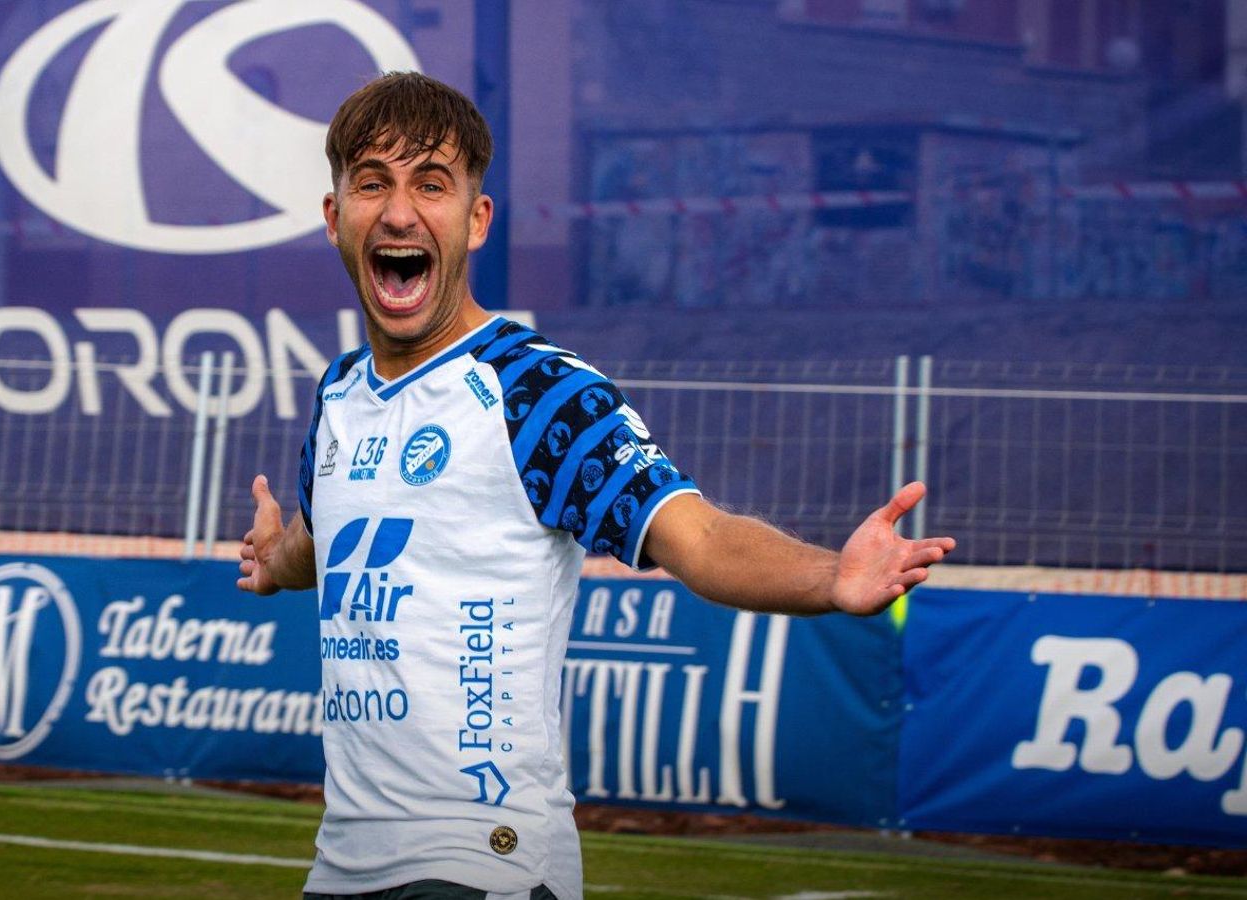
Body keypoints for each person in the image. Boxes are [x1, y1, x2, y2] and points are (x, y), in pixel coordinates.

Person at [236, 72, 956, 900]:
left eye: (431, 185)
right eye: (372, 184)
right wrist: (274, 560)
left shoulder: (536, 392)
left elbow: (701, 535)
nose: (400, 212)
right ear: (336, 220)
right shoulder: (340, 396)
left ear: (476, 222)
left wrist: (830, 575)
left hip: (485, 865)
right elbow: (326, 543)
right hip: (342, 867)